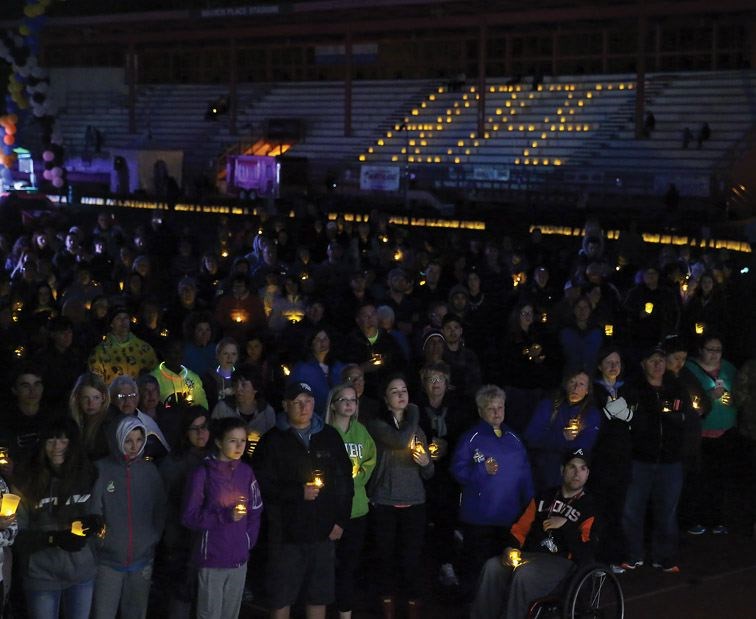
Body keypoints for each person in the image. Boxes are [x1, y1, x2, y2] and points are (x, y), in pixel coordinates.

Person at [251, 382, 353, 619]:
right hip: (286, 536)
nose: (303, 406)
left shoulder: (329, 436)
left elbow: (345, 482)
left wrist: (341, 520)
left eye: (307, 400)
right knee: (281, 597)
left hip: (323, 532)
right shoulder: (272, 441)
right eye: (297, 402)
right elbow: (262, 485)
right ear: (285, 405)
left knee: (318, 596)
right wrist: (298, 493)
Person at [470, 449, 596, 619]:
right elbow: (521, 526)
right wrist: (511, 547)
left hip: (564, 563)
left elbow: (586, 550)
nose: (577, 473)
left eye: (582, 469)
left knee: (524, 573)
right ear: (562, 470)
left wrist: (566, 525)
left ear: (588, 473)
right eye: (572, 467)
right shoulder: (544, 496)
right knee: (493, 566)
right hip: (531, 555)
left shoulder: (590, 506)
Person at [451, 385, 533, 590]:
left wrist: (531, 505)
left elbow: (525, 475)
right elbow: (457, 471)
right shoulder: (471, 438)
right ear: (480, 411)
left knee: (505, 569)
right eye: (491, 408)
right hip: (479, 518)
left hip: (509, 518)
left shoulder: (514, 438)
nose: (497, 412)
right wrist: (481, 470)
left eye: (500, 407)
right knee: (477, 570)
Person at [15, 417, 97, 619]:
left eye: (63, 441)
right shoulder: (27, 479)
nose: (56, 447)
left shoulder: (87, 475)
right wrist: (53, 539)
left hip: (81, 572)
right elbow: (16, 534)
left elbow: (98, 514)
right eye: (50, 441)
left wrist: (95, 524)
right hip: (41, 576)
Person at [366, 374, 434, 619]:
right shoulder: (377, 425)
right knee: (386, 559)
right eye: (394, 391)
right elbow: (399, 440)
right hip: (385, 501)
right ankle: (388, 611)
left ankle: (413, 610)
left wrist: (426, 462)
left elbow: (428, 472)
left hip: (414, 502)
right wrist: (415, 412)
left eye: (404, 390)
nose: (401, 395)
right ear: (386, 399)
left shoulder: (419, 431)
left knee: (411, 560)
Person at [181, 417, 263, 619]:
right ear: (218, 442)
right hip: (212, 559)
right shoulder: (204, 473)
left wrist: (247, 541)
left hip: (238, 559)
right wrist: (224, 516)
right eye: (232, 441)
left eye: (242, 441)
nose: (238, 446)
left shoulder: (246, 472)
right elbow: (189, 516)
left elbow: (255, 509)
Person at [89, 416, 167, 619]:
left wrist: (152, 537)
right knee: (103, 612)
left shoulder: (149, 471)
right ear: (118, 440)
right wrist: (101, 540)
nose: (134, 446)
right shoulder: (101, 469)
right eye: (128, 440)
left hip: (142, 557)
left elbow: (159, 508)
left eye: (139, 440)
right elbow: (94, 509)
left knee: (136, 612)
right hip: (108, 559)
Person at [621, 345, 688, 573]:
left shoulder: (676, 387)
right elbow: (617, 416)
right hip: (640, 460)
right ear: (643, 364)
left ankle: (664, 557)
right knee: (632, 509)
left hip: (670, 462)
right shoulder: (632, 388)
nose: (658, 364)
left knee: (667, 511)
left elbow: (688, 419)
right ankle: (633, 554)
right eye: (652, 360)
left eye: (661, 359)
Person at [324, 383, 377, 619]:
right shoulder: (323, 431)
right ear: (333, 404)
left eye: (353, 400)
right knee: (324, 567)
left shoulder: (362, 432)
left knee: (349, 567)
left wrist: (356, 479)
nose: (349, 403)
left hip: (357, 509)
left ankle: (345, 613)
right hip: (329, 510)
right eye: (343, 399)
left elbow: (370, 460)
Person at [158, 406, 211, 619]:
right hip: (181, 542)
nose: (201, 433)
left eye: (205, 427)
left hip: (209, 543)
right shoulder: (174, 463)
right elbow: (162, 502)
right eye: (194, 428)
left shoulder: (216, 458)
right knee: (181, 598)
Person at [683, 334, 738, 535]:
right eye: (710, 349)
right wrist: (708, 397)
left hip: (725, 432)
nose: (714, 354)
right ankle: (694, 519)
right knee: (697, 478)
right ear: (701, 349)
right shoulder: (689, 369)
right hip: (700, 433)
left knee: (719, 477)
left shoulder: (729, 368)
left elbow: (742, 391)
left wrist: (735, 398)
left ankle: (716, 519)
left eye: (718, 350)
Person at [588, 346, 635, 571]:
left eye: (617, 362)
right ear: (600, 366)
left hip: (622, 458)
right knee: (600, 509)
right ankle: (598, 557)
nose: (613, 366)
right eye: (608, 362)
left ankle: (616, 556)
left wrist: (625, 416)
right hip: (599, 458)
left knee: (617, 508)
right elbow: (595, 421)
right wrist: (609, 414)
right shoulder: (593, 390)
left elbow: (634, 418)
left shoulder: (629, 388)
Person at [524, 369, 601, 493]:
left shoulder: (591, 415)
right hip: (541, 473)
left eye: (581, 384)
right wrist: (561, 436)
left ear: (587, 390)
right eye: (572, 382)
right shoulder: (548, 406)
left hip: (570, 479)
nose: (576, 387)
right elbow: (531, 436)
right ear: (566, 384)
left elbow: (583, 448)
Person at [87, 305, 158, 384]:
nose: (123, 321)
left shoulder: (144, 349)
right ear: (111, 323)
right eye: (118, 318)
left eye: (126, 318)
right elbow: (96, 384)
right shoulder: (100, 352)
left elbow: (155, 377)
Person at [289, 328, 346, 417]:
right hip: (313, 417)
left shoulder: (338, 366)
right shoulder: (302, 368)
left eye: (325, 339)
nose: (322, 342)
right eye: (318, 339)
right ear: (311, 343)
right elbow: (294, 393)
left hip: (337, 415)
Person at [69, 372, 111, 461]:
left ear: (103, 398)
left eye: (96, 398)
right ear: (78, 398)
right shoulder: (72, 422)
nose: (91, 403)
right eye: (85, 398)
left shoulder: (109, 424)